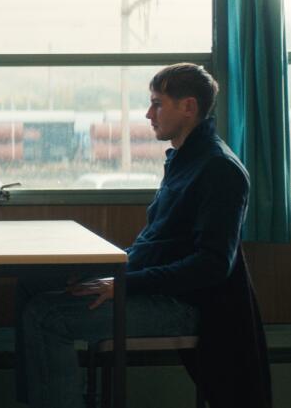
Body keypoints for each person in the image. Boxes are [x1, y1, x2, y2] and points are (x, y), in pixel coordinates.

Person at [16, 63, 271, 408]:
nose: (148, 113)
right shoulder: (184, 159)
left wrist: (124, 284)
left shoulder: (219, 168)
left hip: (185, 304)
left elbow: (211, 266)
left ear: (188, 107)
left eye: (157, 103)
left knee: (45, 316)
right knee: (32, 283)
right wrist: (106, 273)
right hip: (152, 283)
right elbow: (159, 244)